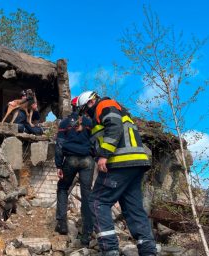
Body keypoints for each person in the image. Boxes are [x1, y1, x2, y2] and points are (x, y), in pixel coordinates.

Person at [77, 91, 157, 256]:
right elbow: (101, 137)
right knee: (133, 207)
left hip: (120, 162)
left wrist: (104, 155)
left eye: (85, 110)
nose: (86, 115)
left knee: (97, 201)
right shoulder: (117, 109)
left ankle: (109, 249)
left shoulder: (104, 105)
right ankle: (148, 250)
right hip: (136, 163)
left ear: (90, 103)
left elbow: (114, 126)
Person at [54, 97, 94, 246]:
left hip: (70, 159)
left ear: (72, 107)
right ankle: (87, 235)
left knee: (63, 188)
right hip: (87, 160)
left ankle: (62, 224)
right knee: (87, 195)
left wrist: (59, 165)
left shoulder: (64, 123)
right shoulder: (89, 123)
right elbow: (95, 141)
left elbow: (59, 145)